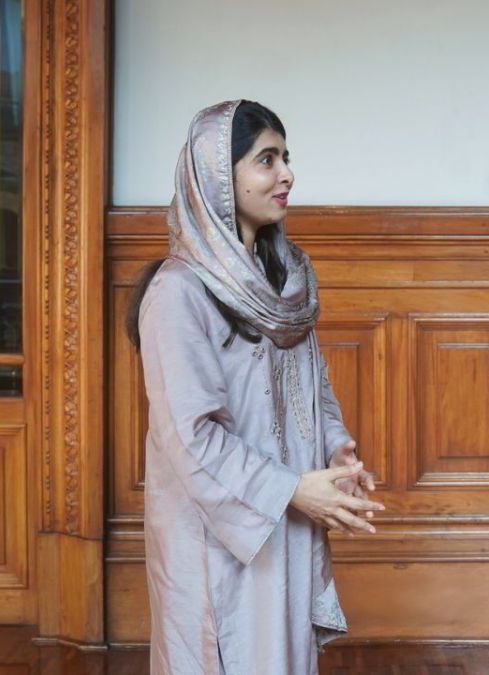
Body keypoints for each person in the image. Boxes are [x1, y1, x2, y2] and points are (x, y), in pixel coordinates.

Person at [126, 100, 384, 675]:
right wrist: (293, 489)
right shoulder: (179, 293)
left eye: (286, 157)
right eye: (266, 159)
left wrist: (334, 452)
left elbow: (313, 388)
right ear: (220, 176)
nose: (286, 173)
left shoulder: (287, 278)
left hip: (285, 520)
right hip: (220, 538)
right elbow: (192, 440)